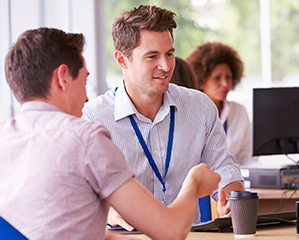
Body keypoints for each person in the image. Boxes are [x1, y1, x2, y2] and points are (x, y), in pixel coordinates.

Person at [0, 27, 221, 240]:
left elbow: (50, 228)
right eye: (84, 80)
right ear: (62, 78)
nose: (86, 97)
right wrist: (194, 181)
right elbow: (171, 231)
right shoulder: (85, 138)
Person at [82, 5, 245, 230]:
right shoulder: (93, 118)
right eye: (152, 56)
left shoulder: (200, 107)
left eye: (169, 54)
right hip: (126, 237)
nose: (166, 66)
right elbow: (80, 193)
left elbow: (224, 168)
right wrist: (107, 211)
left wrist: (231, 197)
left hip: (188, 235)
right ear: (122, 60)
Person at [186, 42, 258, 165]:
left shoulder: (239, 111)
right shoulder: (189, 113)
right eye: (217, 78)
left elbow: (248, 157)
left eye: (228, 77)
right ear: (201, 81)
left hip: (234, 181)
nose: (225, 84)